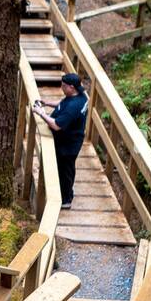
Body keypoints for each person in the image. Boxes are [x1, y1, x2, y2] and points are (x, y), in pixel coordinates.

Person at [33, 73, 88, 208]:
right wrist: (47, 103)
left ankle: (65, 200)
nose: (61, 88)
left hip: (68, 144)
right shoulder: (79, 96)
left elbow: (57, 125)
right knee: (65, 169)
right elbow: (62, 103)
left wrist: (41, 112)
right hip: (69, 139)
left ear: (71, 87)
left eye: (63, 86)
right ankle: (65, 194)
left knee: (65, 171)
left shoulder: (73, 107)